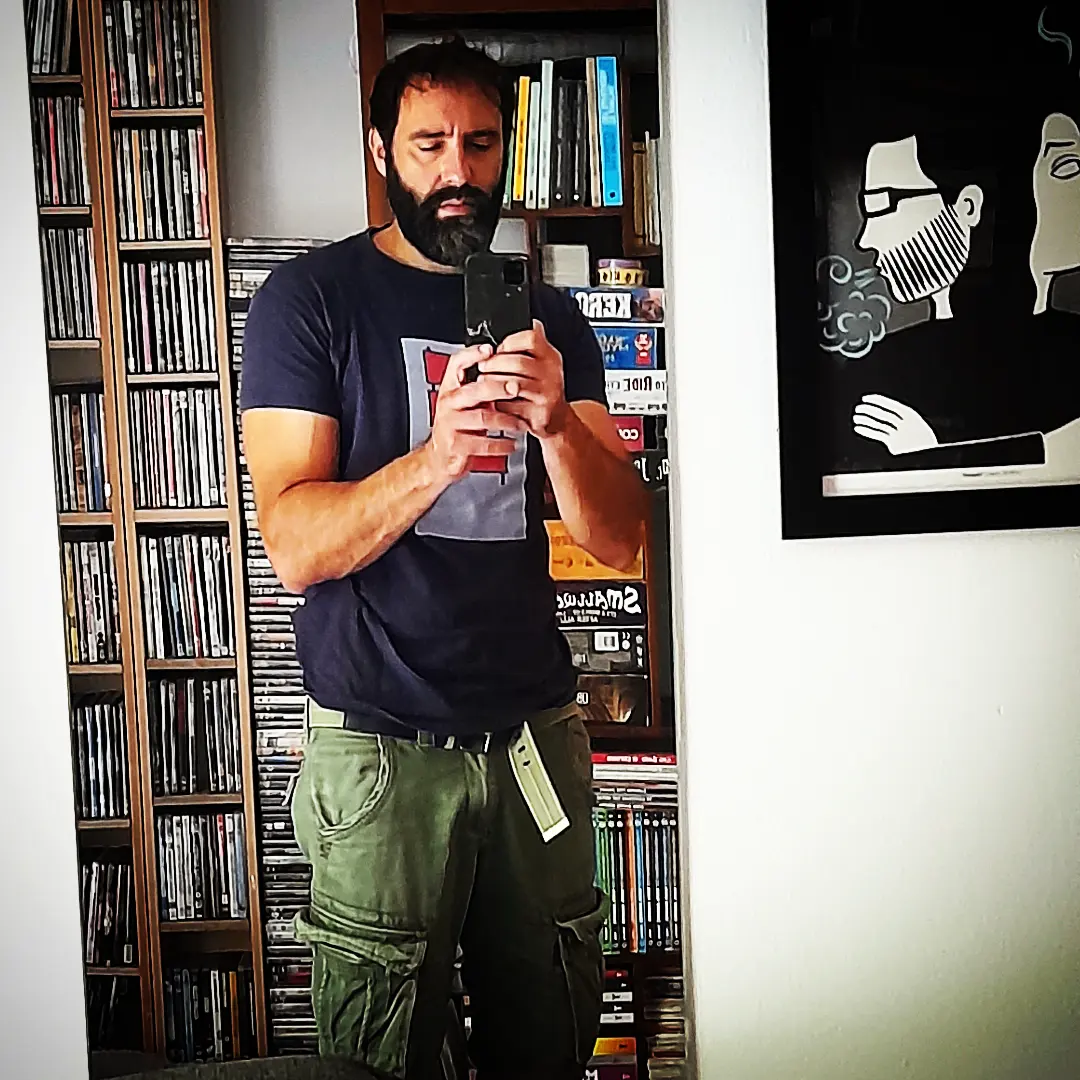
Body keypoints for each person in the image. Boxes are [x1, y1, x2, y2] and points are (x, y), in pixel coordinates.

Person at [239, 35, 647, 1080]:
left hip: (533, 739)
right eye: (428, 145)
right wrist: (435, 459)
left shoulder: (552, 318)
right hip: (381, 747)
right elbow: (293, 546)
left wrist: (557, 426)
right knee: (381, 1061)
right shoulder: (309, 301)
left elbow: (625, 542)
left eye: (480, 143)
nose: (458, 171)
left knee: (548, 1040)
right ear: (382, 151)